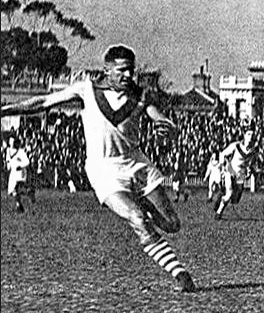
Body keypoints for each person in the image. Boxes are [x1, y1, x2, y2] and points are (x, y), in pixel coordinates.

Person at [0, 45, 196, 292]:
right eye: (122, 70)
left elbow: (159, 118)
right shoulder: (86, 90)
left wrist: (164, 126)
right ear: (107, 70)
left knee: (171, 224)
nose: (128, 76)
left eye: (131, 70)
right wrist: (6, 110)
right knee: (137, 219)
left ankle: (142, 203)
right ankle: (180, 275)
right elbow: (43, 102)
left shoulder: (140, 95)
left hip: (137, 164)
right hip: (104, 171)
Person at [215, 128, 254, 220]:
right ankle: (218, 213)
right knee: (229, 193)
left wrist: (248, 169)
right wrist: (223, 166)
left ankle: (221, 197)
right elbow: (222, 154)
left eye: (252, 135)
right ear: (244, 135)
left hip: (240, 173)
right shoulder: (236, 146)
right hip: (231, 170)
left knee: (236, 198)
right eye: (248, 134)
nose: (250, 137)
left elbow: (249, 162)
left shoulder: (252, 149)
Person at [5, 135, 31, 213]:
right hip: (13, 173)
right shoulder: (8, 151)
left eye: (12, 141)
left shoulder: (20, 151)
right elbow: (8, 161)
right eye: (10, 141)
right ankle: (19, 205)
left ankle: (24, 195)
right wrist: (8, 166)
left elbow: (27, 162)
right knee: (11, 192)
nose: (11, 142)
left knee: (17, 188)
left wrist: (20, 166)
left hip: (20, 173)